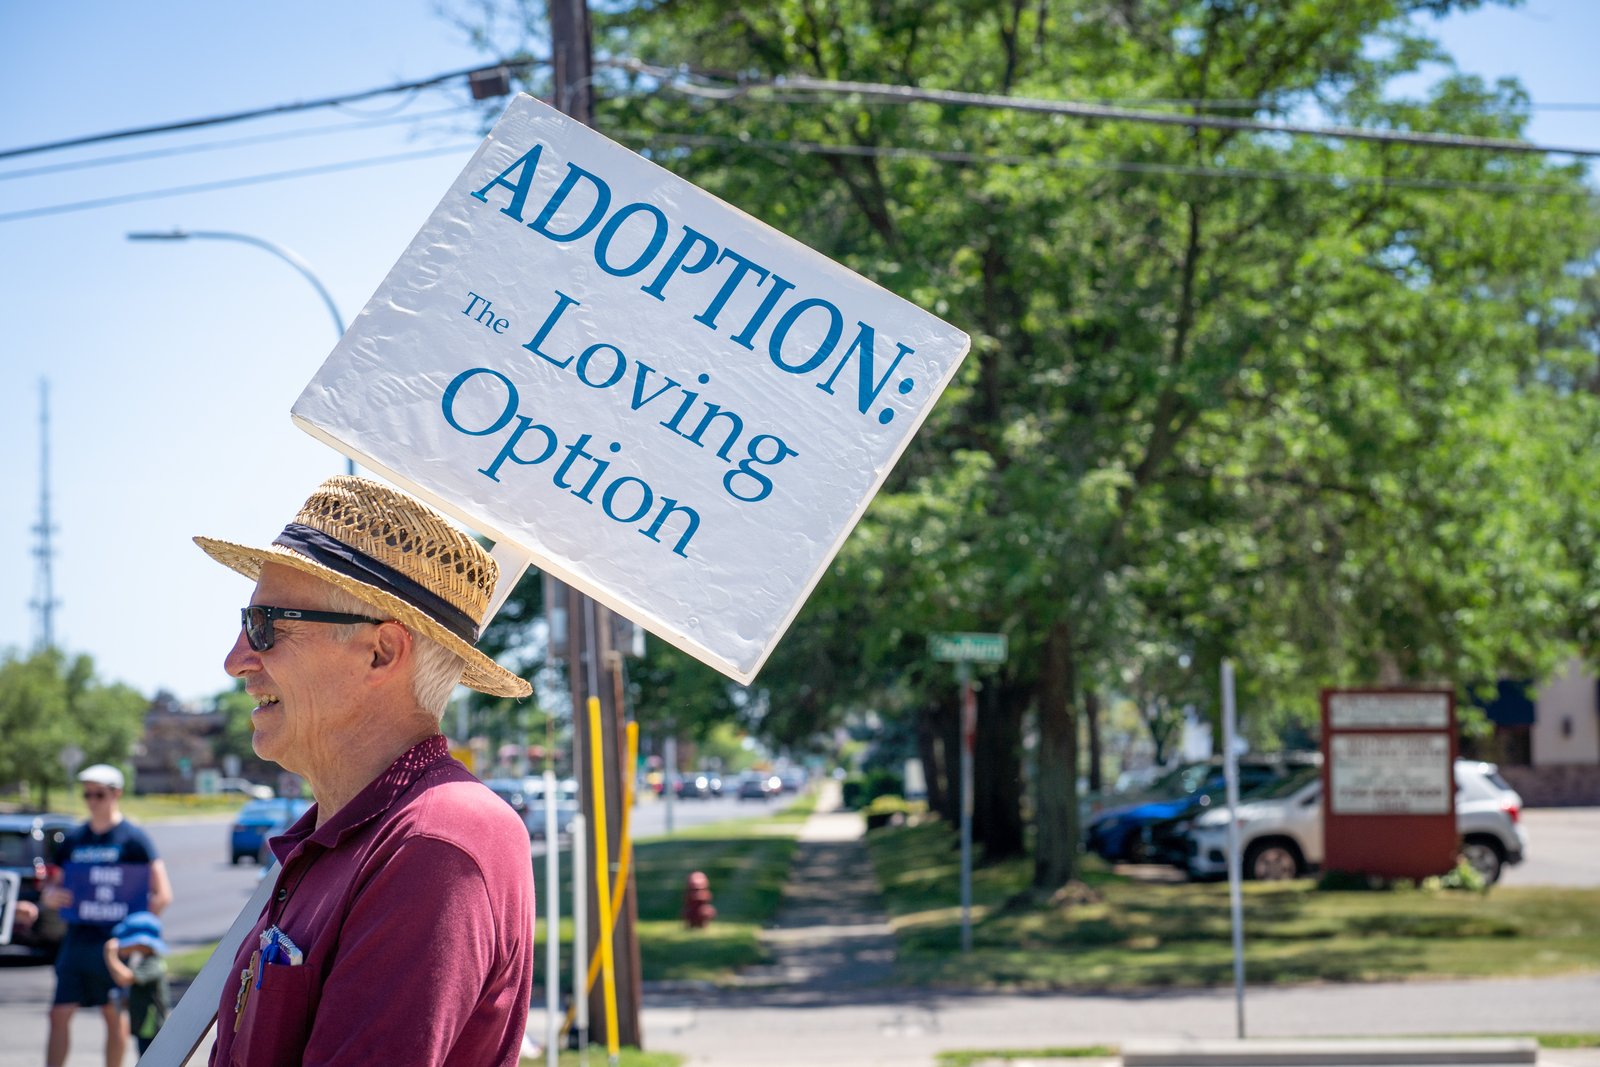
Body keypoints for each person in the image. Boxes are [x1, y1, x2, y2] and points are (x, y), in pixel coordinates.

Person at [194, 475, 536, 1067]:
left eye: (265, 626)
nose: (235, 660)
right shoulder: (357, 832)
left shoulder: (436, 842)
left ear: (381, 651)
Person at [41, 762, 173, 1067]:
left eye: (98, 794)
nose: (92, 801)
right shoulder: (74, 839)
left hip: (114, 943)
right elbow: (51, 886)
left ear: (116, 794)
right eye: (87, 794)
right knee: (58, 1012)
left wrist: (135, 933)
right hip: (77, 939)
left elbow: (162, 894)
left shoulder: (134, 839)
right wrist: (50, 896)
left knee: (112, 1013)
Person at [103, 910, 172, 1056]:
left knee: (151, 1058)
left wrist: (110, 956)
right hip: (143, 1024)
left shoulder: (154, 963)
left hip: (151, 1025)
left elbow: (126, 978)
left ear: (141, 942)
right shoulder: (144, 961)